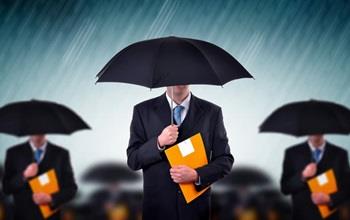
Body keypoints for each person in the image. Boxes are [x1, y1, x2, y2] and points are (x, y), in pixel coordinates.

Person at [127, 85, 234, 220]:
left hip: (195, 211)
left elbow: (225, 160)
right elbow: (133, 160)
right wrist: (158, 142)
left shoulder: (212, 112)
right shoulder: (142, 111)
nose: (178, 78)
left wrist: (197, 175)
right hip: (157, 211)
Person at [2, 134, 77, 220]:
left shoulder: (61, 154)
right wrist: (24, 175)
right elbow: (6, 188)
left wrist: (51, 198)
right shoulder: (13, 153)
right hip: (22, 216)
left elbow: (71, 189)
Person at [281, 134, 350, 220]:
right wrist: (303, 176)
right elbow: (285, 188)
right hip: (302, 217)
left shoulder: (340, 154)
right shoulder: (292, 153)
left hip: (331, 217)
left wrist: (330, 199)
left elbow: (347, 188)